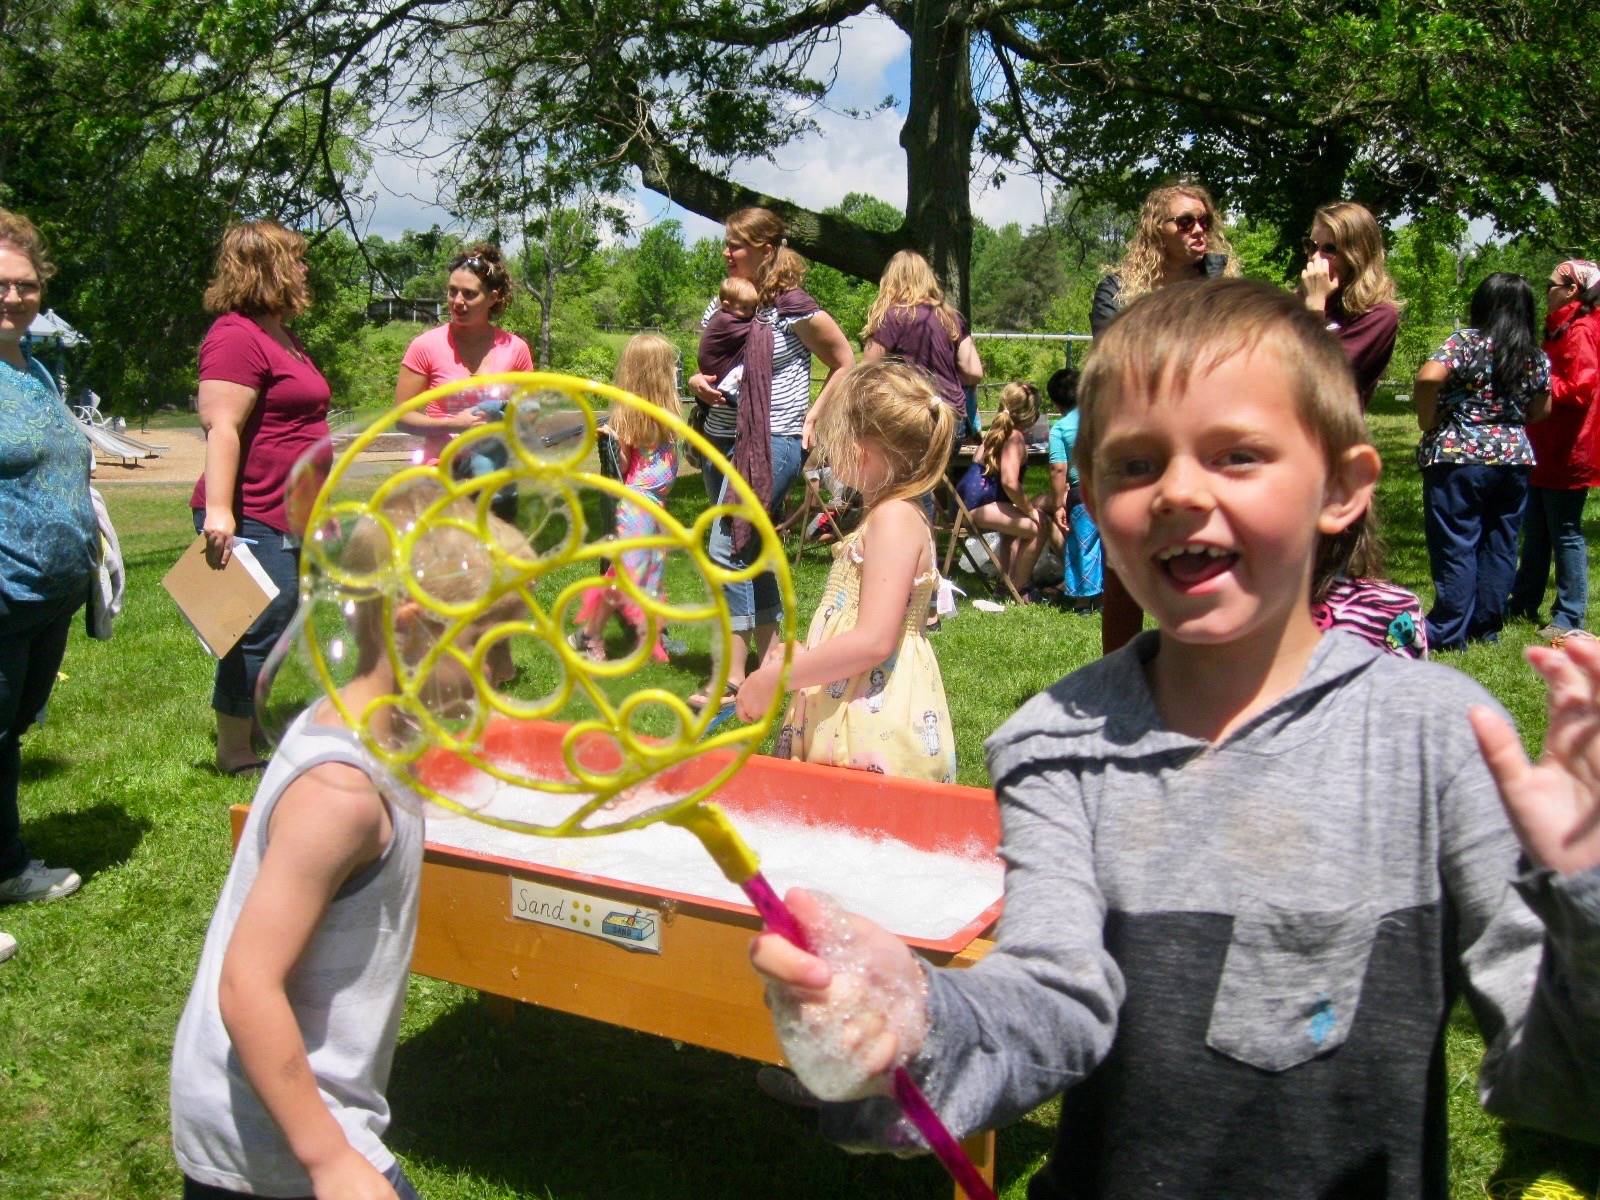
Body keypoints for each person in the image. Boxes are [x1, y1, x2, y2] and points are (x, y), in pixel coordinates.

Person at [750, 279, 1600, 1197]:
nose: (1181, 493)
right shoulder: (1058, 744)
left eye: (1239, 455)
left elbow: (1563, 1078)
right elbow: (1046, 1004)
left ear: (1345, 488)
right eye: (1136, 463)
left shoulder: (1430, 739)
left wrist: (1584, 890)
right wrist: (911, 1024)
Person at [171, 486, 528, 1200]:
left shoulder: (364, 730)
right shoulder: (341, 795)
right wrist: (329, 1160)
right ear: (412, 628)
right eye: (495, 642)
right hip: (278, 1133)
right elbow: (246, 986)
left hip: (300, 1111)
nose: (509, 670)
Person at [736, 362, 957, 783]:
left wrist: (775, 679)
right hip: (852, 698)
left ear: (859, 450)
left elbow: (874, 639)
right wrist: (806, 658)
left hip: (872, 724)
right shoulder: (886, 516)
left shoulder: (893, 519)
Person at [685, 207, 853, 710]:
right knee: (751, 549)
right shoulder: (729, 304)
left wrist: (815, 416)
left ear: (764, 248)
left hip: (774, 440)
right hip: (721, 437)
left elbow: (845, 361)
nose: (726, 252)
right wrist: (697, 382)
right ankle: (775, 658)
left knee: (726, 546)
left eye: (735, 244)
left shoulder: (794, 308)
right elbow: (711, 361)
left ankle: (733, 679)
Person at [192, 221, 329, 776]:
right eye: (295, 259)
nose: (303, 270)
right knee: (252, 630)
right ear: (266, 267)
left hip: (291, 509)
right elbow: (222, 426)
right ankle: (236, 751)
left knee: (280, 622)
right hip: (251, 512)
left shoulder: (280, 334)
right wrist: (221, 512)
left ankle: (254, 730)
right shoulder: (235, 335)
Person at [0, 208, 94, 960]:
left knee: (7, 733)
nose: (13, 295)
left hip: (46, 591)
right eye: (0, 284)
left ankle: (7, 866)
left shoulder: (34, 367)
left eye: (25, 284)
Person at [1091, 182, 1240, 652]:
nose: (1199, 230)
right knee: (1125, 565)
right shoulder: (1118, 291)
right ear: (1158, 228)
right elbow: (1116, 362)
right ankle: (1119, 675)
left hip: (1208, 441)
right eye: (1185, 221)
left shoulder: (1221, 287)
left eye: (1205, 221)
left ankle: (1203, 668)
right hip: (1138, 440)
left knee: (1208, 553)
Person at [1413, 273, 1550, 651]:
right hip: (1514, 461)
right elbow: (1542, 409)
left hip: (1459, 457)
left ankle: (1447, 629)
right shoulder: (1534, 354)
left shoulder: (1466, 342)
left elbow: (1428, 378)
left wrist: (1428, 419)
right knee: (1500, 544)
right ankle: (1485, 627)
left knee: (1457, 542)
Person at [569, 333, 683, 663]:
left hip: (654, 506)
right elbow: (620, 470)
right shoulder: (630, 413)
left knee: (648, 574)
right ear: (655, 372)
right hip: (636, 505)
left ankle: (649, 638)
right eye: (669, 366)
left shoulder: (667, 411)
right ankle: (589, 636)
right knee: (626, 576)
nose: (675, 370)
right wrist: (611, 442)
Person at [1508, 259, 1600, 643]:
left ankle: (1569, 614)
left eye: (1551, 285)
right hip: (1546, 445)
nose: (1545, 290)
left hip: (1569, 449)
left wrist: (1538, 387)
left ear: (1572, 289)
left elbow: (1581, 386)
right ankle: (1524, 600)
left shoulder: (1580, 330)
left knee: (1565, 532)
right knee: (1536, 528)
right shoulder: (1560, 327)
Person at [394, 244, 535, 467]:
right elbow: (402, 418)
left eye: (469, 294)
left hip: (496, 478)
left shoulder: (516, 349)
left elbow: (528, 416)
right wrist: (453, 424)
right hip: (442, 478)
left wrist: (502, 420)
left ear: (492, 298)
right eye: (452, 291)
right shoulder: (425, 346)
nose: (457, 301)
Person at [1299, 200, 1401, 410]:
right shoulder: (1299, 300)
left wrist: (1315, 307)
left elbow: (1321, 379)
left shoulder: (1378, 315)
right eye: (1311, 246)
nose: (1315, 257)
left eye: (1329, 248)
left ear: (1357, 254)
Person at [860, 250, 984, 421]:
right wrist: (944, 378)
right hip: (951, 418)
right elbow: (974, 372)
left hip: (912, 416)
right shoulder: (951, 318)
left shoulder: (892, 317)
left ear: (891, 280)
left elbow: (866, 372)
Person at [953, 381, 1049, 599]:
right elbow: (1009, 482)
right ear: (1030, 414)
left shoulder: (997, 431)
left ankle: (1005, 585)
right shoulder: (1014, 437)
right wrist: (1030, 511)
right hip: (979, 507)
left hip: (971, 504)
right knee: (1039, 526)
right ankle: (1019, 588)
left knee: (1012, 533)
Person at [1044, 367, 1101, 611]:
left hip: (1082, 493)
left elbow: (1058, 469)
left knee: (1082, 544)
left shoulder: (1060, 429)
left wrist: (1058, 504)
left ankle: (1082, 600)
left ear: (1056, 403)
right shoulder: (1103, 417)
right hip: (1110, 488)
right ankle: (1106, 597)